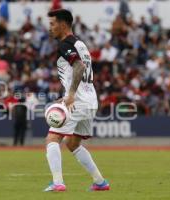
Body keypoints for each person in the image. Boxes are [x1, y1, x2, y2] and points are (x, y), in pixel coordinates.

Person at [44, 9, 110, 192]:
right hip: (90, 100)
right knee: (72, 143)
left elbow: (79, 66)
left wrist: (71, 94)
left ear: (63, 24)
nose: (50, 28)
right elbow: (81, 69)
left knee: (52, 137)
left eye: (52, 24)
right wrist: (67, 93)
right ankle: (100, 182)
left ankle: (57, 183)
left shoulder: (65, 44)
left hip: (78, 101)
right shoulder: (81, 44)